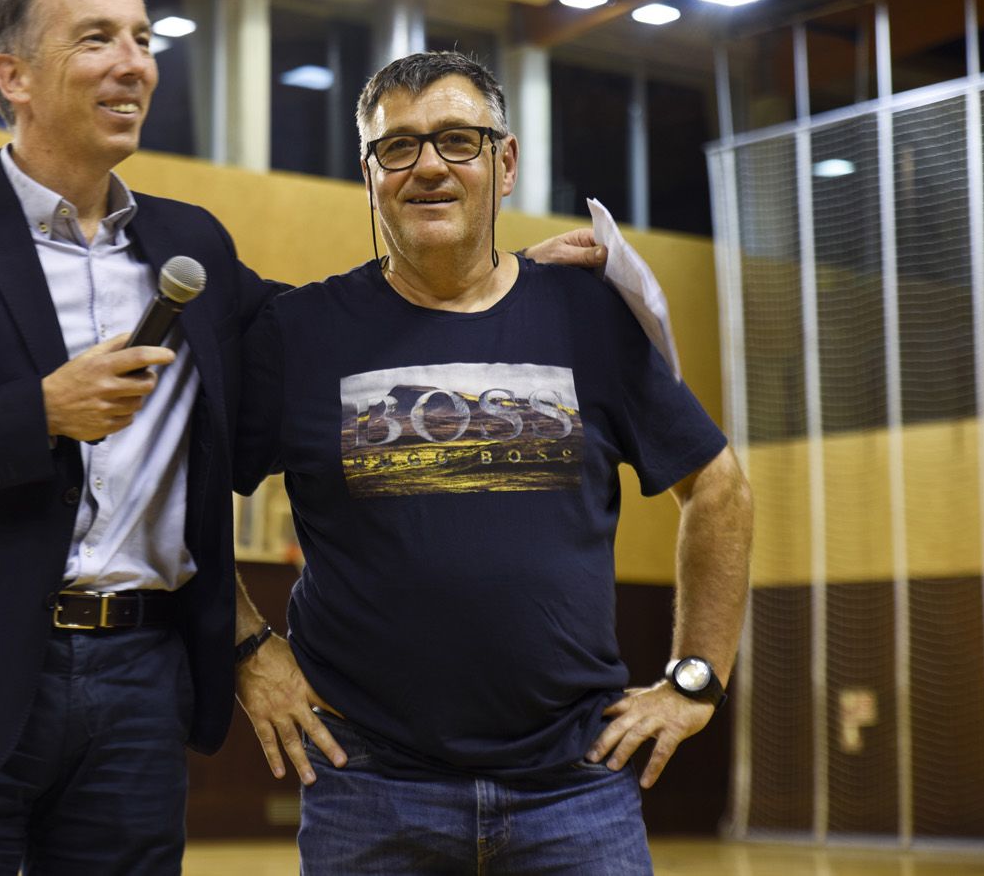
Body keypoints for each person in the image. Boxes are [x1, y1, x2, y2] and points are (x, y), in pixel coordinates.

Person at [0, 0, 603, 874]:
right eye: (96, 37)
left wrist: (495, 278)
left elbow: (344, 326)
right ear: (11, 74)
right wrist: (38, 413)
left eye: (143, 38)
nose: (134, 61)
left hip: (140, 686)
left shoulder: (193, 244)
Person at [232, 51, 753, 874]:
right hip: (368, 784)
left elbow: (718, 486)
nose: (428, 165)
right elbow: (175, 491)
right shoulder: (300, 334)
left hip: (576, 787)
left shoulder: (588, 317)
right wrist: (245, 645)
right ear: (369, 175)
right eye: (398, 147)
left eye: (457, 140)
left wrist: (694, 679)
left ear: (504, 163)